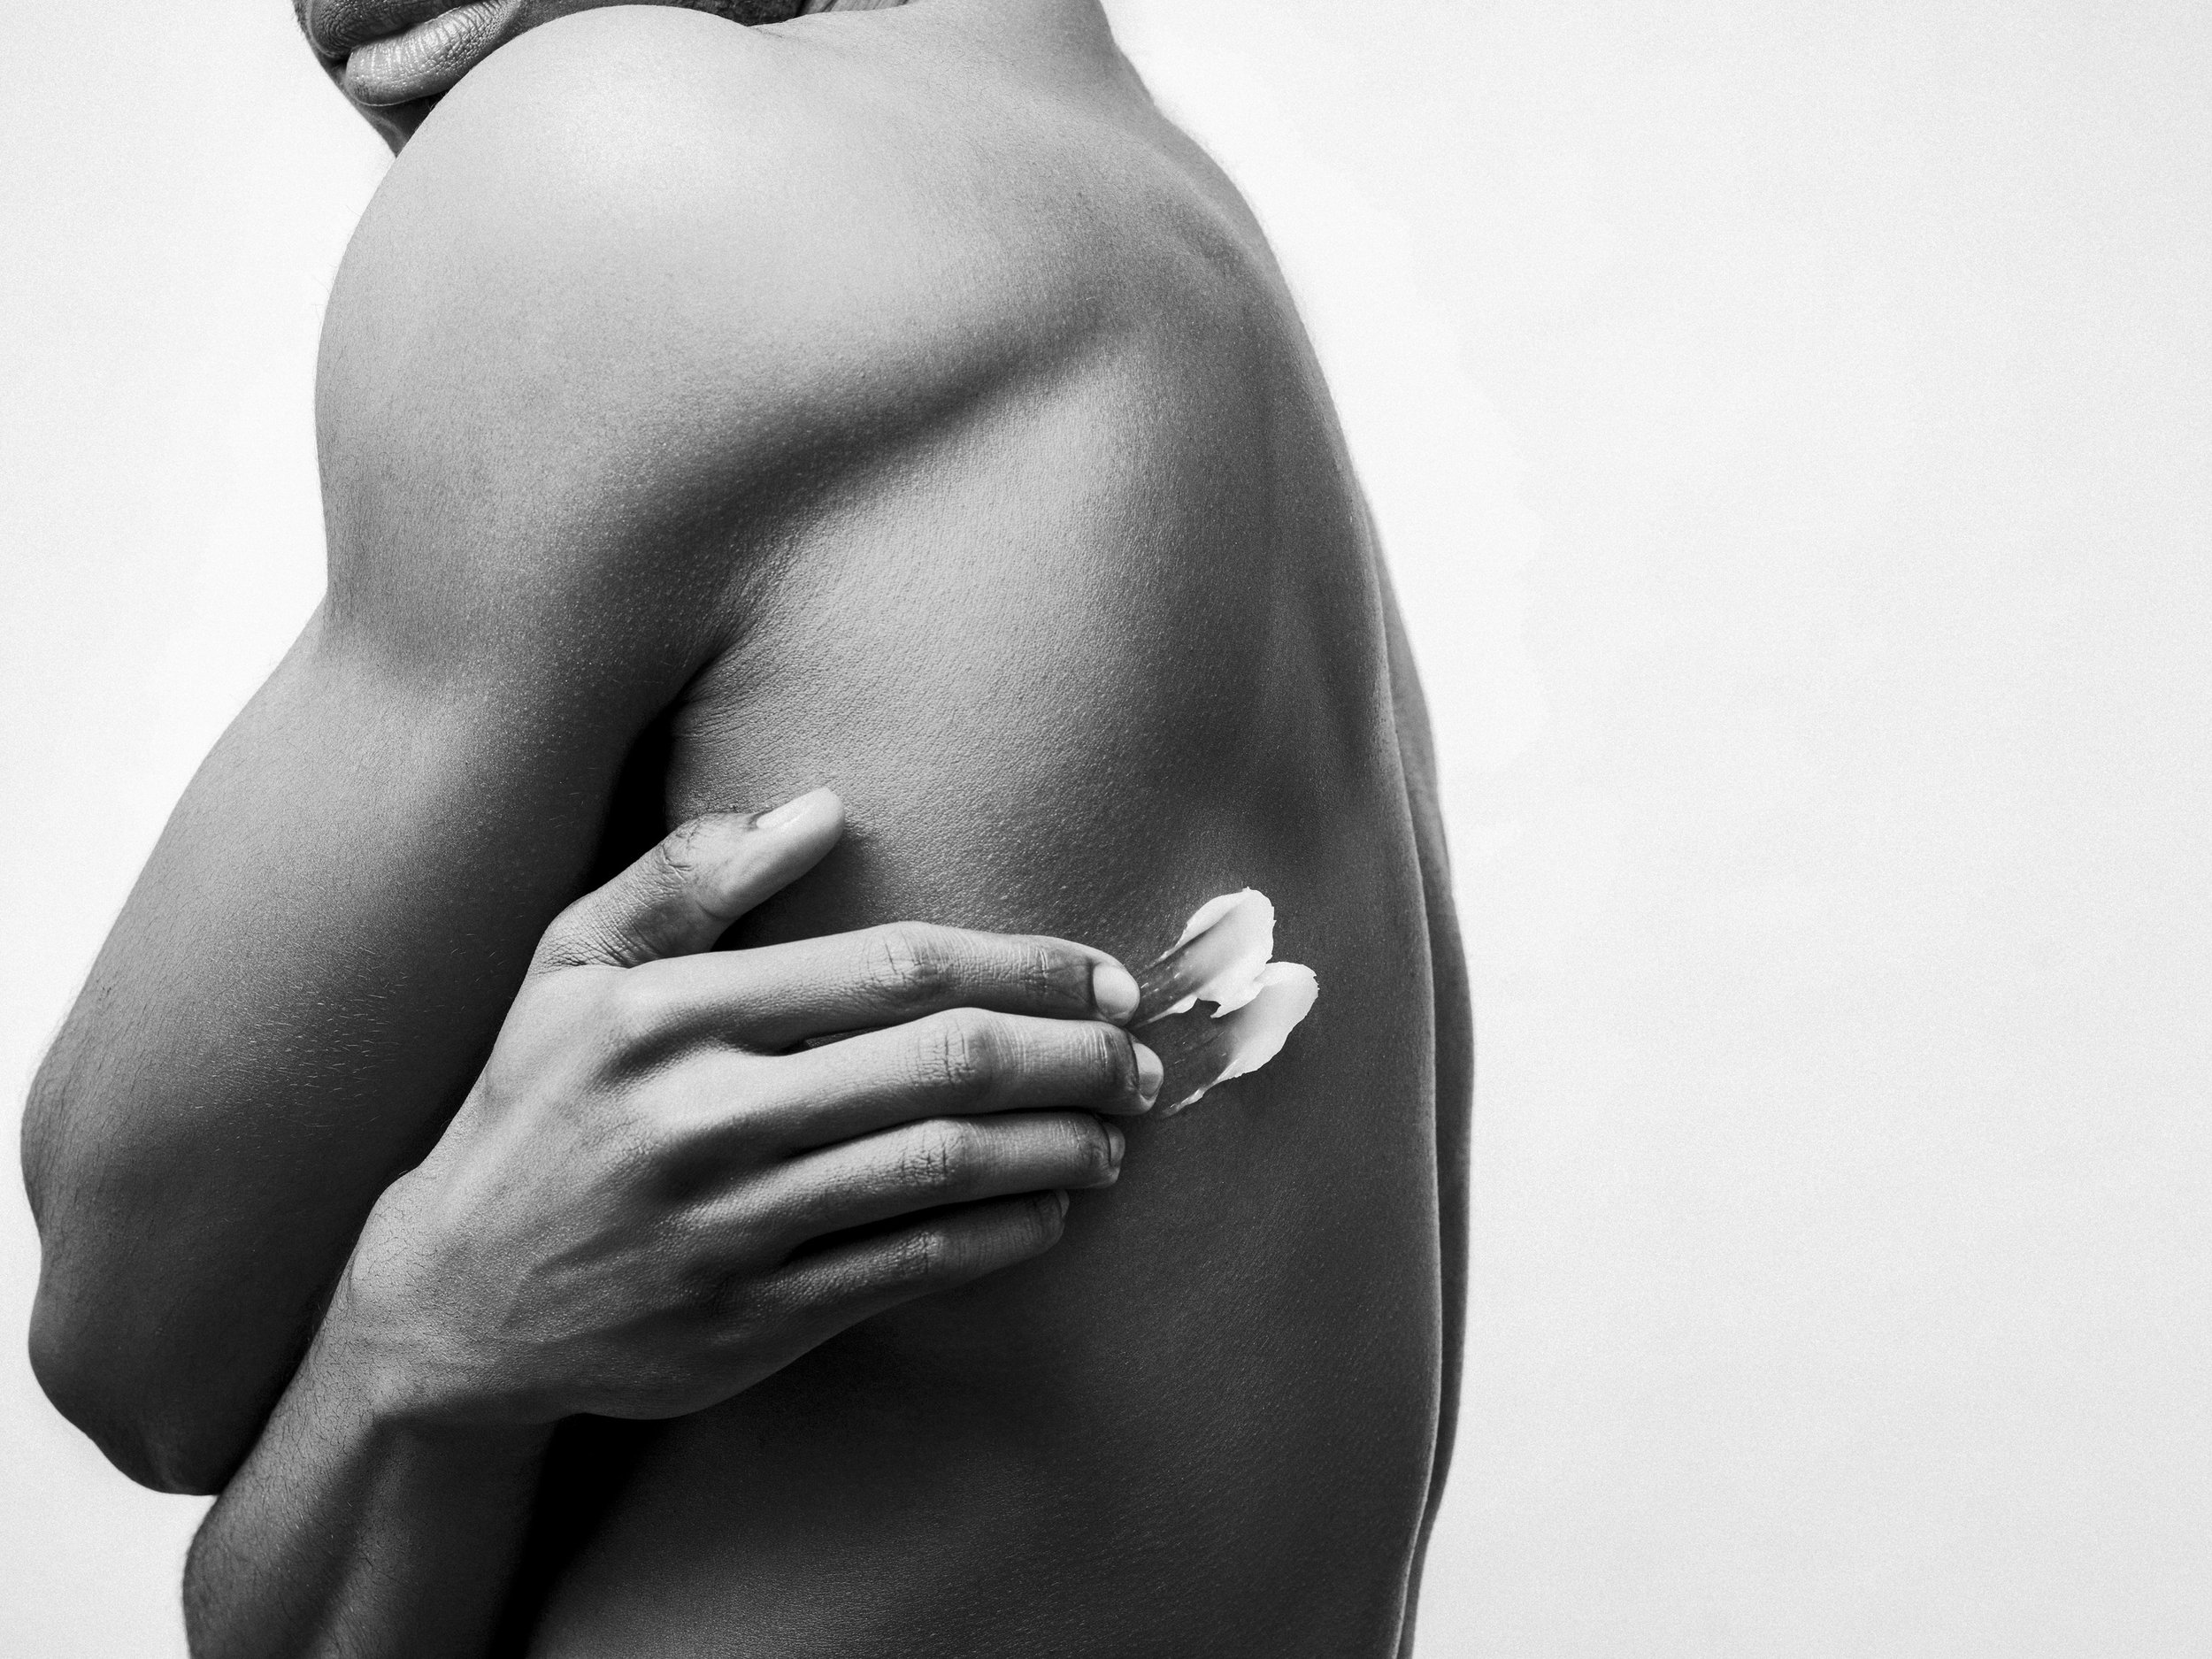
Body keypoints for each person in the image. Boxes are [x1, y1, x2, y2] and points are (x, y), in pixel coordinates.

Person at [22, 0, 1471, 1653]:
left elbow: (131, 1346)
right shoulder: (1172, 241)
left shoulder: (634, 161)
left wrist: (414, 1337)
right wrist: (430, 1354)